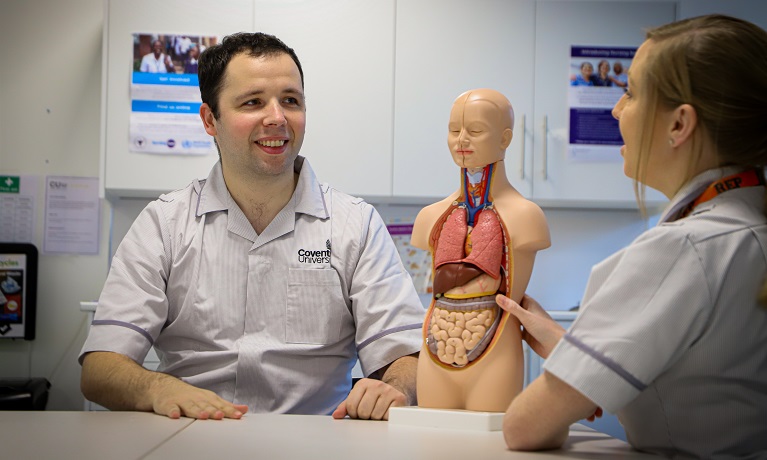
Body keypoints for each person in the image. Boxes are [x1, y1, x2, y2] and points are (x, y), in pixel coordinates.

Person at [80, 32, 425, 421]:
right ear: (211, 119)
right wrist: (158, 387)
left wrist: (393, 388)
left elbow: (406, 355)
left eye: (290, 101)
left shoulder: (355, 224)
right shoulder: (164, 224)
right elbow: (100, 368)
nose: (277, 117)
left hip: (317, 441)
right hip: (192, 437)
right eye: (253, 102)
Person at [499, 14, 767, 458]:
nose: (616, 110)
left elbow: (524, 428)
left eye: (630, 92)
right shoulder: (745, 227)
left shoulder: (685, 248)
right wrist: (576, 356)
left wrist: (562, 389)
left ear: (679, 125)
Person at [410, 89, 550, 411]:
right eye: (453, 130)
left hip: (496, 353)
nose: (461, 140)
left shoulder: (526, 217)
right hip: (436, 350)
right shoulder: (431, 217)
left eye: (475, 131)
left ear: (505, 139)